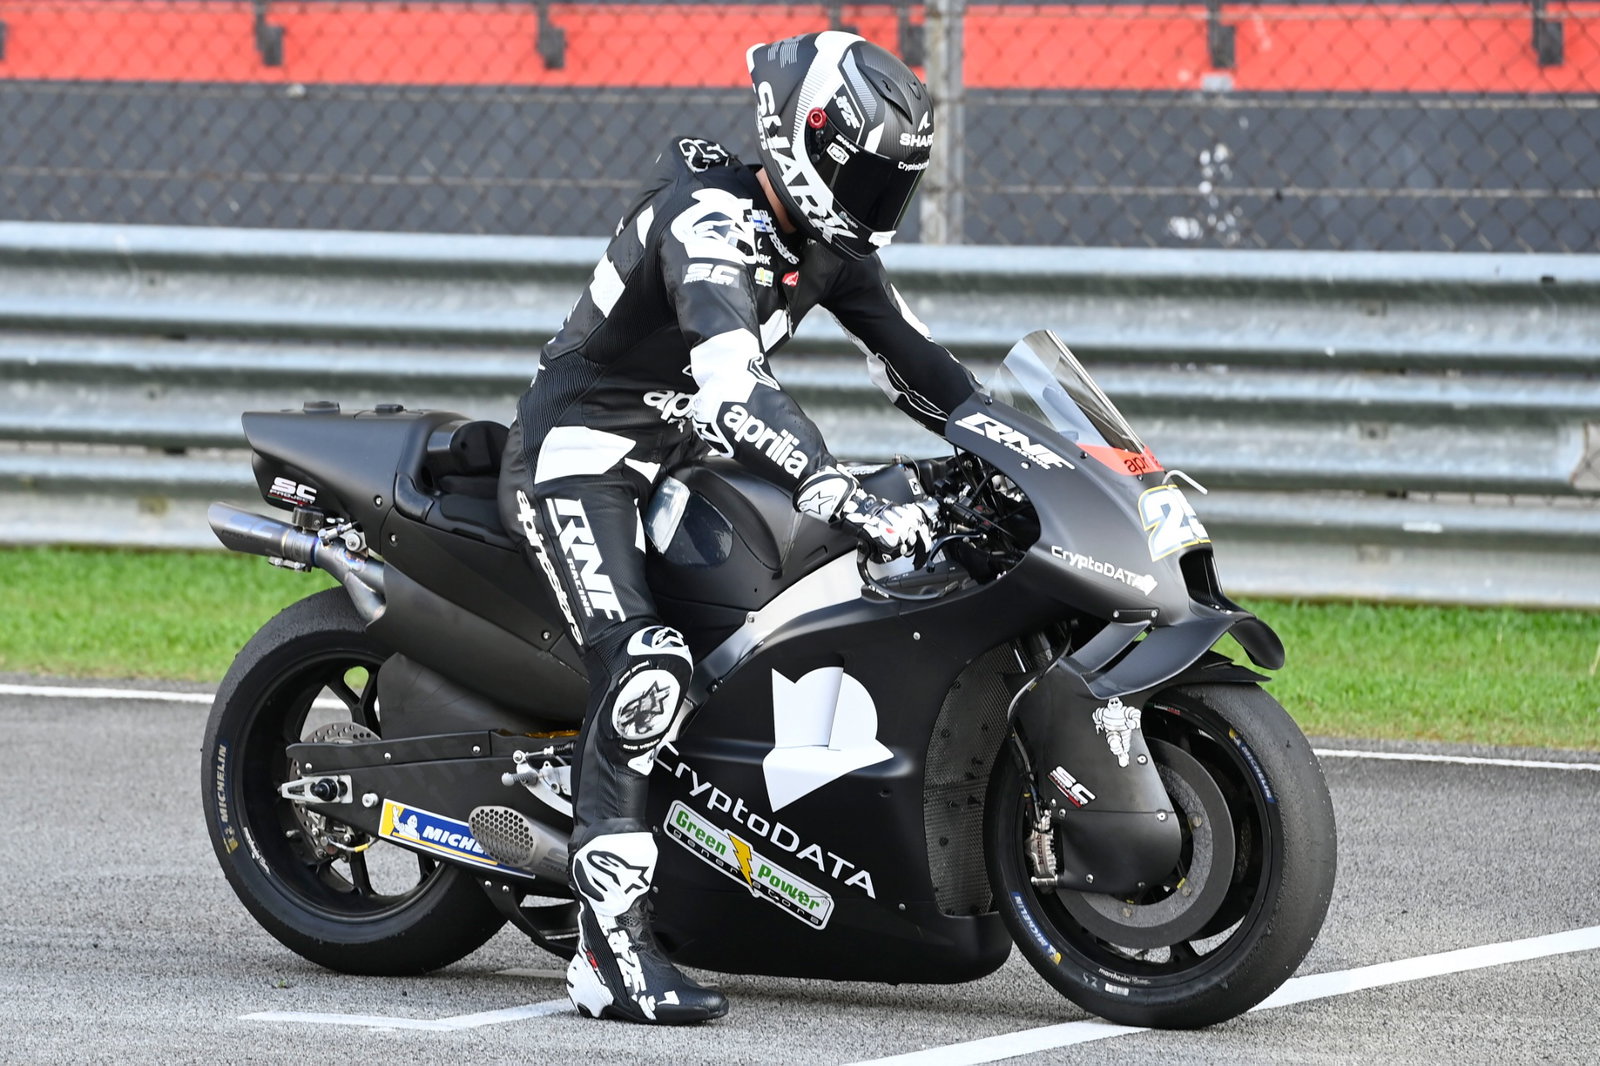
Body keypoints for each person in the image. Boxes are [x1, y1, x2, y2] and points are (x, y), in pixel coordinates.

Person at [497, 29, 980, 1024]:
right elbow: (731, 387)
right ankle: (607, 955)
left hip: (678, 464)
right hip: (583, 458)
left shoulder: (825, 247)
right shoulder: (707, 220)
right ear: (806, 141)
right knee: (647, 667)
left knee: (773, 621)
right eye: (867, 178)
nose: (878, 206)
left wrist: (1021, 451)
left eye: (894, 187)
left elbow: (920, 363)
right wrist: (831, 483)